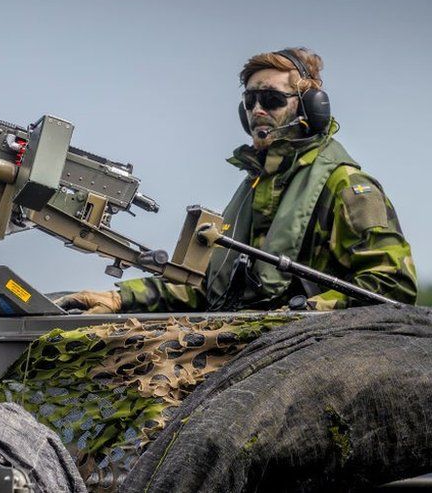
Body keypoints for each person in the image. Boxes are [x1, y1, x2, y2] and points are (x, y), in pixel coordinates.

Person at [58, 47, 417, 313]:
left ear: (310, 108)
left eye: (273, 99)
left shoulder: (349, 188)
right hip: (246, 345)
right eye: (250, 99)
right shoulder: (255, 186)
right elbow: (210, 293)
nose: (258, 109)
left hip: (312, 354)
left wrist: (307, 312)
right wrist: (121, 298)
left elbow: (391, 287)